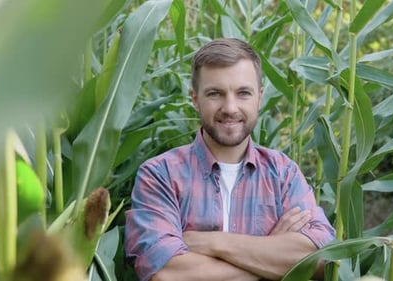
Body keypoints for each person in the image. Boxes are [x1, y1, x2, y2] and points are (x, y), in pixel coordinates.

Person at [124, 38, 335, 281]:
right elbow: (167, 274)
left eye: (243, 93)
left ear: (259, 97)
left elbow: (322, 259)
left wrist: (213, 243)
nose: (230, 107)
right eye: (215, 94)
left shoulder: (283, 173)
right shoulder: (160, 175)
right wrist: (270, 256)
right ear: (195, 99)